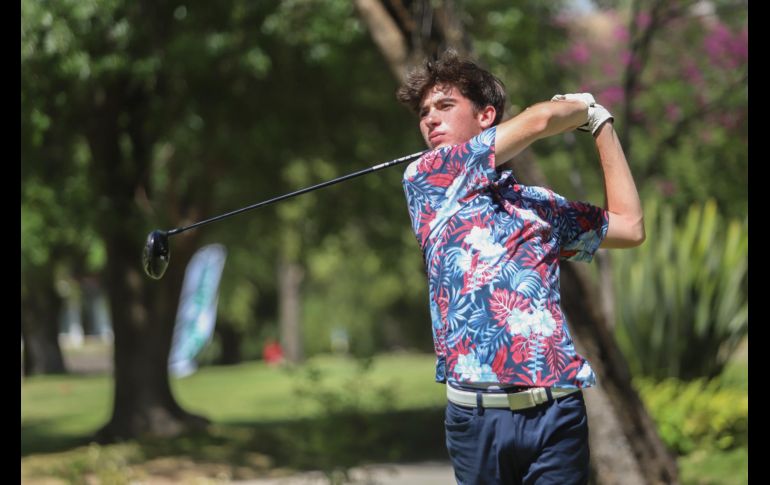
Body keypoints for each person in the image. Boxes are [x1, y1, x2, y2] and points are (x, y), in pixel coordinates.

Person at [397, 50, 644, 484]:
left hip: (556, 412)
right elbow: (538, 122)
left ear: (486, 115)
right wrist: (581, 107)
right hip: (475, 420)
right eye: (424, 112)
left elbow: (629, 227)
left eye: (445, 105)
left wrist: (602, 126)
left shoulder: (539, 206)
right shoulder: (427, 178)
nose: (430, 119)